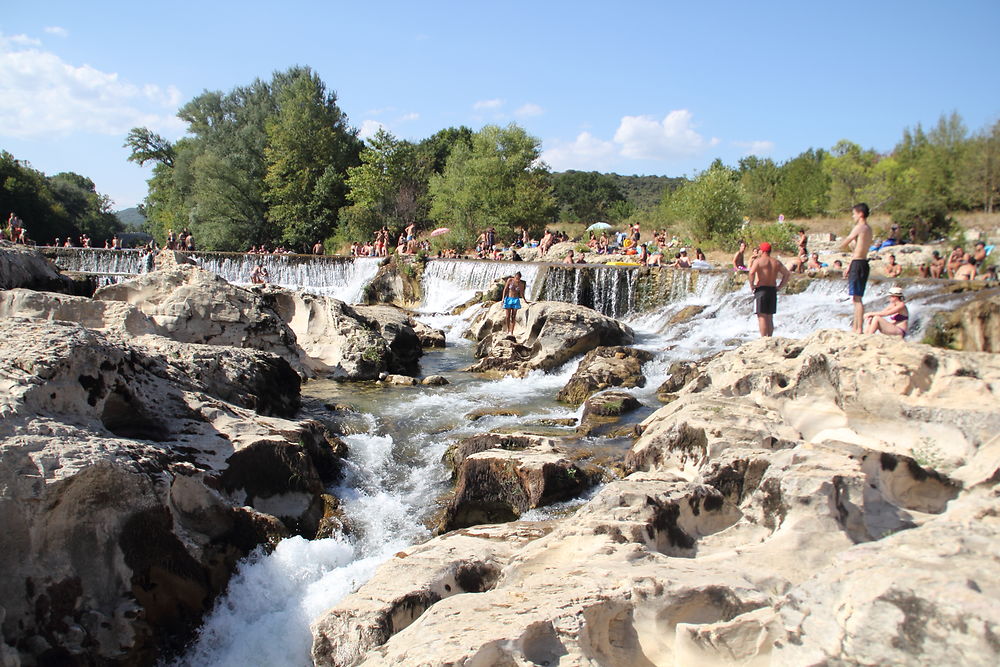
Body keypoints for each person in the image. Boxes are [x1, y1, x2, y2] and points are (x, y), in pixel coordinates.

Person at [840, 203, 873, 333]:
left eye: (854, 213)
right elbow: (858, 249)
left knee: (857, 298)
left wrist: (839, 246)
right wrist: (849, 265)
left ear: (860, 214)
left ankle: (858, 328)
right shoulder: (869, 229)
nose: (853, 216)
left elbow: (845, 243)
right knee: (857, 297)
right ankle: (856, 327)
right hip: (862, 262)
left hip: (858, 264)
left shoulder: (860, 227)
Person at [747, 242, 791, 337]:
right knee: (769, 316)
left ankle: (763, 338)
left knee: (761, 316)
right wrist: (780, 286)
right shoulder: (776, 262)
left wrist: (752, 285)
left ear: (762, 251)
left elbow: (751, 273)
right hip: (772, 290)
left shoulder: (758, 261)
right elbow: (787, 274)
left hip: (761, 289)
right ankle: (770, 337)